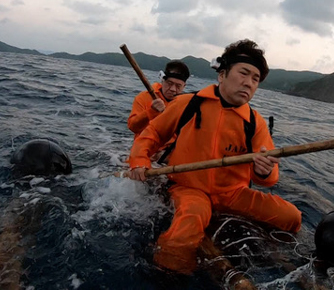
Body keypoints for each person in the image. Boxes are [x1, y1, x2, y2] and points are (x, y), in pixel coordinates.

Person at [128, 39, 302, 274]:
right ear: (222, 75)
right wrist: (140, 161)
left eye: (255, 79)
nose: (249, 83)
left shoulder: (255, 123)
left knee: (291, 216)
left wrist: (263, 169)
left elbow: (268, 180)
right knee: (189, 223)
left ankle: (277, 257)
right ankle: (167, 274)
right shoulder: (187, 103)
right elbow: (152, 133)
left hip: (232, 193)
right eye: (244, 73)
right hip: (189, 187)